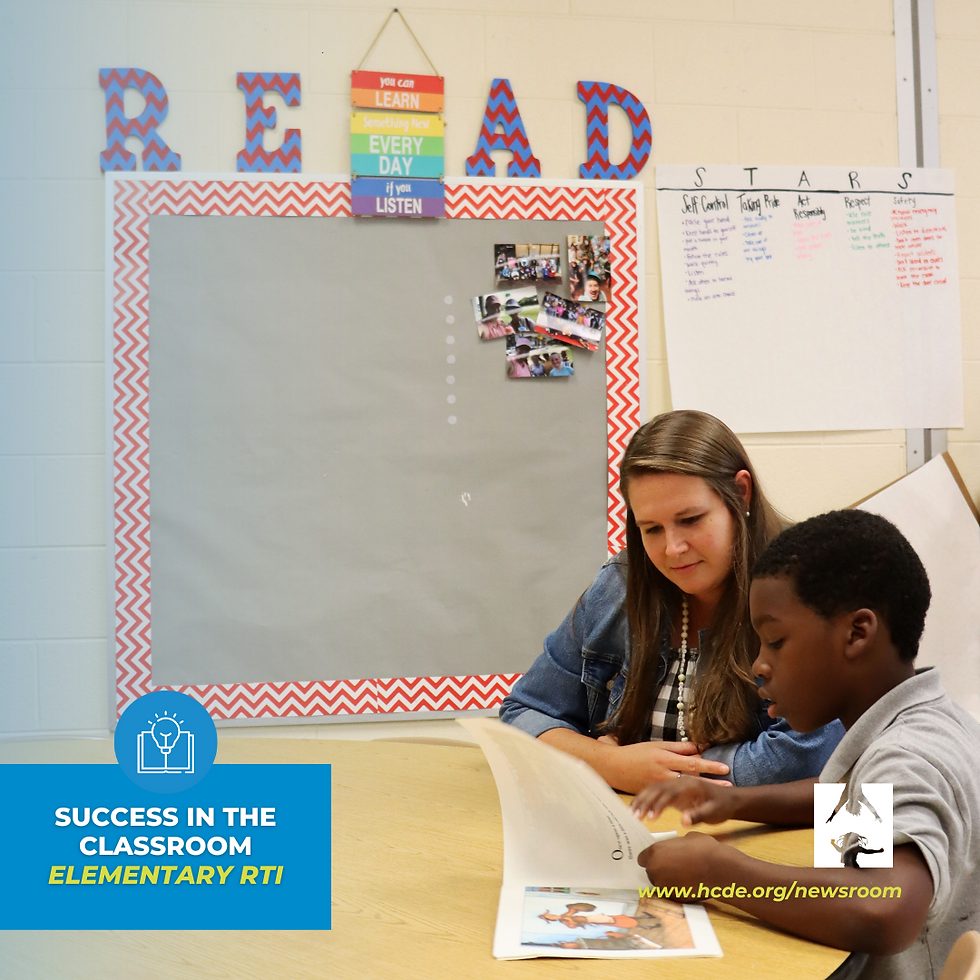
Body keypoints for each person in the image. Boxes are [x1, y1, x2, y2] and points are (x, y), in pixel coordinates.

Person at [630, 509, 980, 980]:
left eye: (775, 641)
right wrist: (732, 801)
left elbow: (888, 912)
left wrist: (719, 872)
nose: (759, 664)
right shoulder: (919, 721)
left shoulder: (907, 756)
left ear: (857, 634)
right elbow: (856, 798)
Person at [500, 410, 844, 792]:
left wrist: (658, 774)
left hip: (785, 841)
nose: (673, 549)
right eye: (651, 529)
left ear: (740, 493)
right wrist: (610, 763)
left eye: (692, 519)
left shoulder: (808, 584)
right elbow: (523, 712)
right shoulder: (620, 584)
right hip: (648, 834)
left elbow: (808, 757)